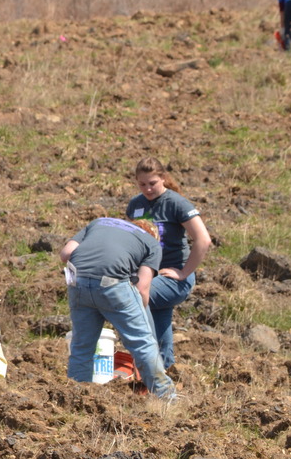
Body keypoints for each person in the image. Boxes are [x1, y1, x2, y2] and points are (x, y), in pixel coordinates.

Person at [59, 217, 177, 400]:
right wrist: (137, 318)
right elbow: (142, 288)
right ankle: (167, 398)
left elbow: (66, 254)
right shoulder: (152, 243)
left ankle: (75, 399)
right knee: (143, 345)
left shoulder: (99, 222)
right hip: (112, 283)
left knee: (82, 347)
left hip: (78, 280)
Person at [126, 157, 212, 371]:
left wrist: (184, 272)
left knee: (134, 299)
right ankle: (165, 372)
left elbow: (203, 239)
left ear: (163, 178)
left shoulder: (175, 203)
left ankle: (146, 367)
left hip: (172, 278)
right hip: (147, 275)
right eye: (142, 184)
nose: (147, 189)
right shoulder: (135, 205)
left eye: (152, 183)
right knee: (158, 319)